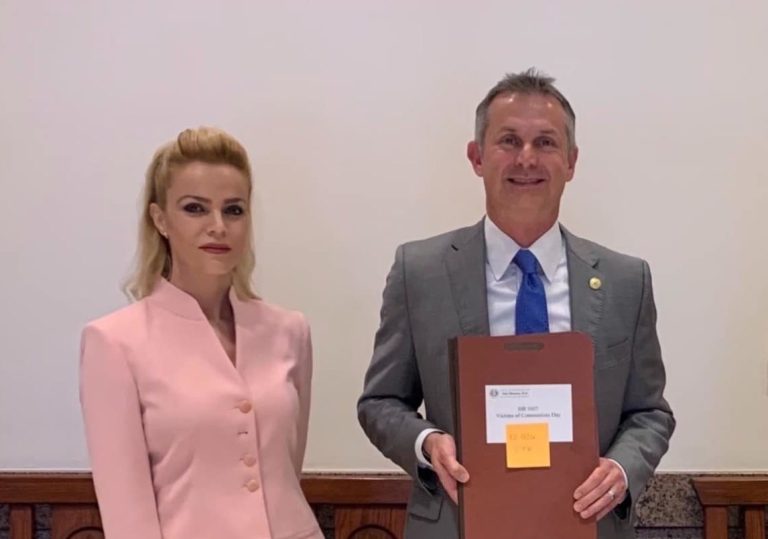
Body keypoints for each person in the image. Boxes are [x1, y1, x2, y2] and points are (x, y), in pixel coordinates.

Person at [357, 69, 675, 539]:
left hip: (587, 525)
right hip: (458, 523)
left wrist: (622, 469)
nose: (527, 158)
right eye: (509, 141)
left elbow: (650, 412)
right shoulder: (419, 272)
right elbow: (380, 401)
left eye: (545, 142)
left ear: (571, 161)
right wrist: (427, 443)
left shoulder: (626, 281)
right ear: (477, 156)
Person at [80, 127, 322, 539]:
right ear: (160, 219)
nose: (218, 226)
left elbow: (287, 472)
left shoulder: (288, 331)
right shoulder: (115, 343)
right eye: (195, 208)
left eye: (233, 210)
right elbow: (127, 517)